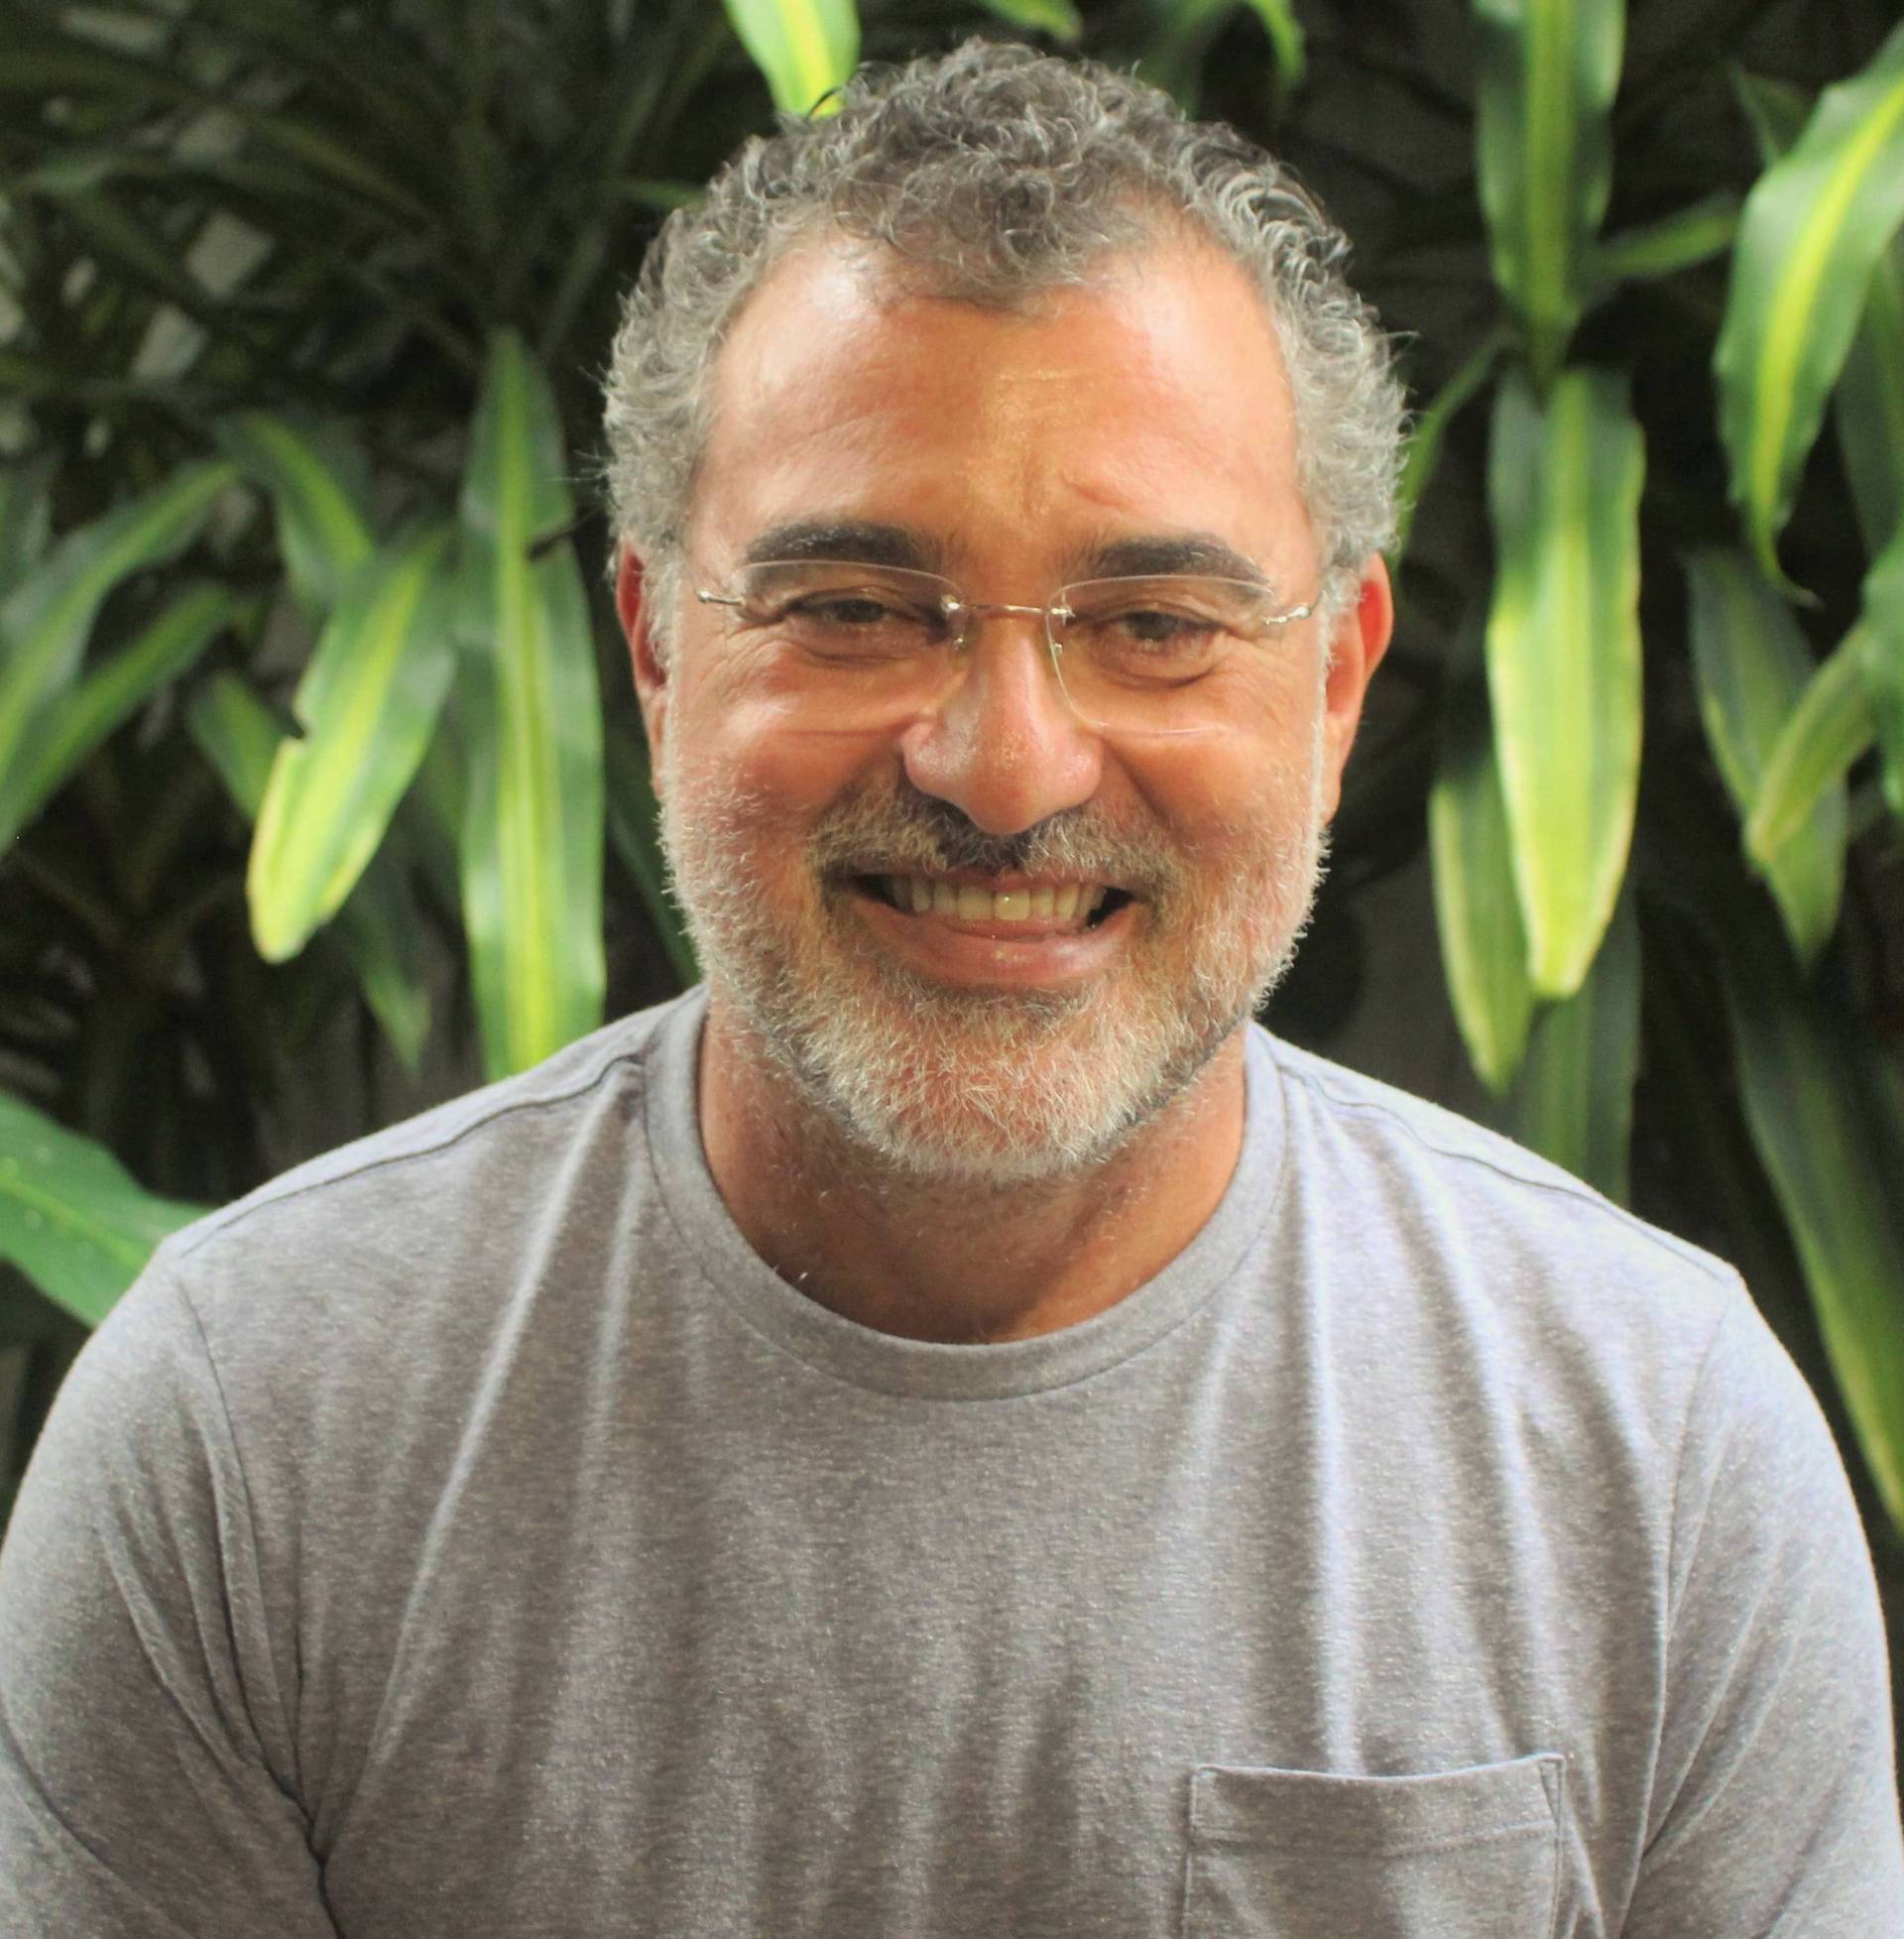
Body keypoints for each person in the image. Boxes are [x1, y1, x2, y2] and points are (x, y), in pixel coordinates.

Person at [0, 39, 1898, 1938]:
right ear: (656, 650)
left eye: (1154, 625)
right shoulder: (248, 1439)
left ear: (1334, 685)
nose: (1005, 771)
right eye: (853, 609)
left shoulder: (1657, 1457)